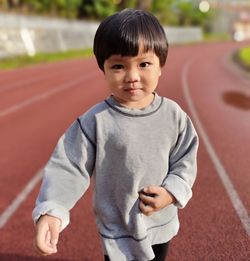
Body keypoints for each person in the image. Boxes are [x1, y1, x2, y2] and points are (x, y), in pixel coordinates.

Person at [32, 8, 199, 261]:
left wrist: (172, 192)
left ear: (160, 65)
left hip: (159, 225)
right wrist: (51, 210)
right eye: (119, 66)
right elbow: (68, 165)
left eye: (144, 64)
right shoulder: (96, 121)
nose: (132, 76)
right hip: (117, 229)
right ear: (104, 69)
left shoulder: (173, 115)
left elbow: (185, 159)